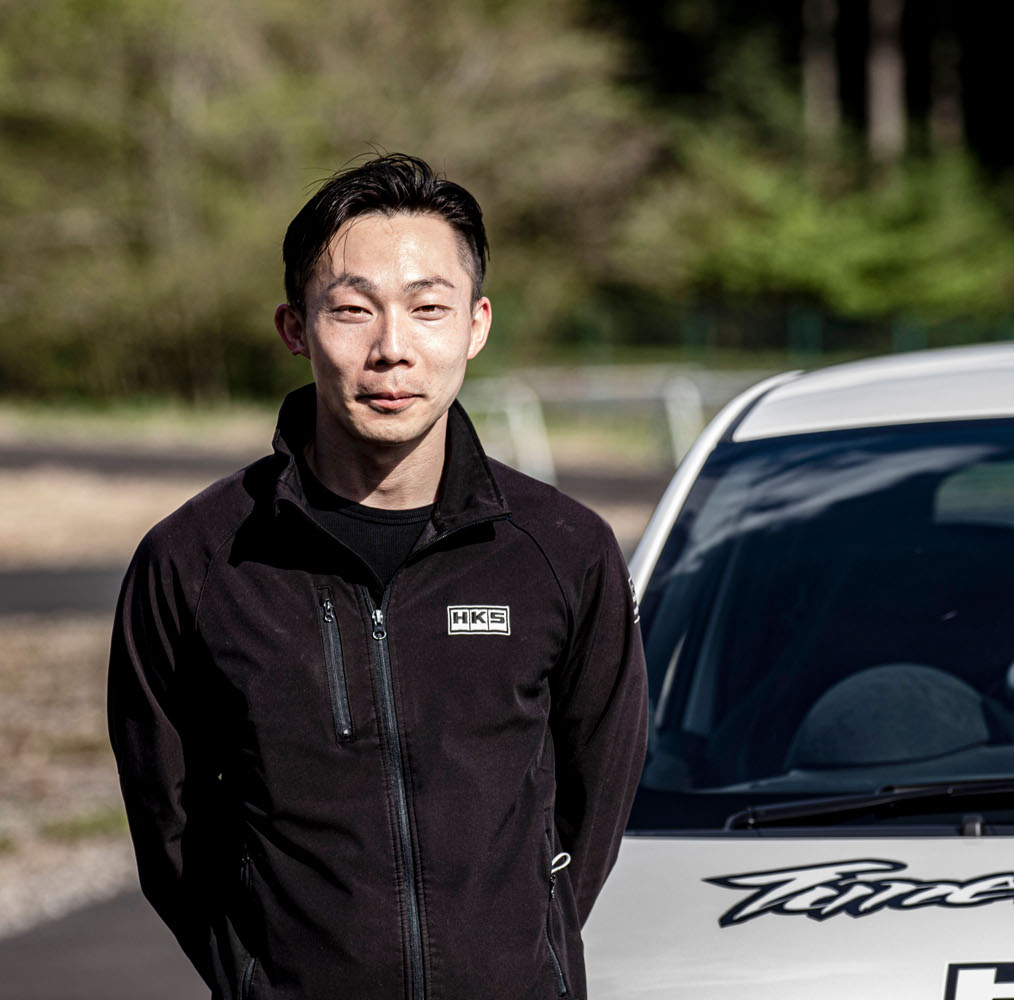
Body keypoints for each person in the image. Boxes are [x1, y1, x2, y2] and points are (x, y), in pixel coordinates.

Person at [108, 153, 648, 1000]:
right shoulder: (195, 562)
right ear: (296, 328)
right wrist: (254, 976)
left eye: (428, 309)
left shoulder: (562, 549)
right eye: (353, 310)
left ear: (475, 325)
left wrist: (522, 959)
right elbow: (170, 824)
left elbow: (597, 796)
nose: (393, 350)